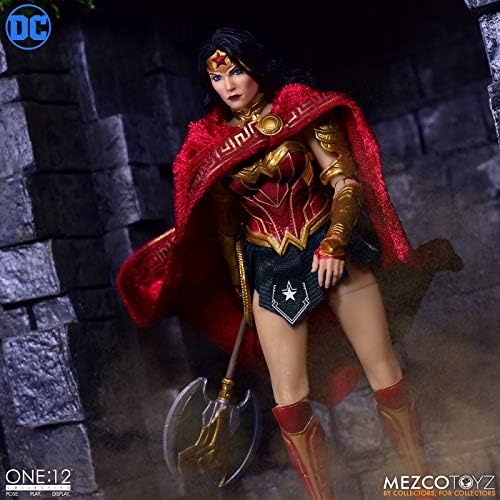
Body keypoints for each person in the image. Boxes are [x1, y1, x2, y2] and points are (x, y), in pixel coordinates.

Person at [117, 28, 460, 500]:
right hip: (271, 269)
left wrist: (334, 243)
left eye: (236, 71)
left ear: (256, 69)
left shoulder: (299, 109)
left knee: (387, 375)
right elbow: (226, 232)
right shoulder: (208, 144)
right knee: (290, 407)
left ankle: (422, 485)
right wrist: (244, 295)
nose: (228, 85)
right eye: (217, 77)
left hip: (331, 253)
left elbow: (345, 183)